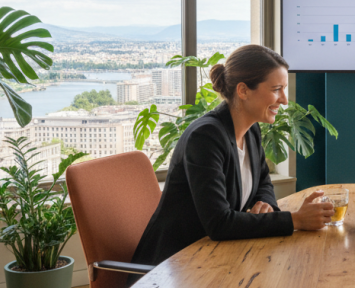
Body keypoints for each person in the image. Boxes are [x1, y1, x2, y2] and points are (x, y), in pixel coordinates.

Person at [132, 45, 333, 267]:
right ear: (243, 91)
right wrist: (296, 219)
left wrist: (263, 204)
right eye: (276, 89)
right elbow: (219, 223)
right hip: (173, 268)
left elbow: (263, 181)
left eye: (284, 89)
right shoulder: (205, 137)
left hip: (216, 258)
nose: (284, 100)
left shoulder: (251, 129)